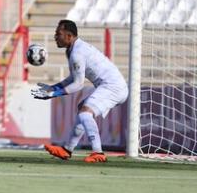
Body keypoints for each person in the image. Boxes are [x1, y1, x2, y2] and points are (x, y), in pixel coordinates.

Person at [32, 20, 129, 163]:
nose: (55, 37)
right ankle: (67, 149)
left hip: (113, 87)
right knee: (82, 110)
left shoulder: (77, 53)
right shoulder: (73, 49)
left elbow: (78, 84)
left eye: (58, 34)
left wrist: (54, 94)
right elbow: (73, 77)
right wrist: (53, 87)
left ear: (69, 36)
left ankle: (98, 152)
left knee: (85, 112)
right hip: (111, 86)